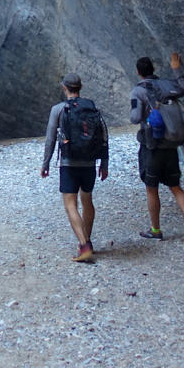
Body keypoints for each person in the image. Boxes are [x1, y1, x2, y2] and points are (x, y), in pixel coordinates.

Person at [131, 52, 184, 247]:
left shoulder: (138, 91)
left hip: (152, 146)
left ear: (138, 72)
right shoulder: (168, 84)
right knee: (175, 186)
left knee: (151, 188)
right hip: (172, 144)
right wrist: (176, 68)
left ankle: (155, 230)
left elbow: (135, 117)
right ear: (153, 70)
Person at [40, 72, 109, 262]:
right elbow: (103, 135)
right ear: (80, 88)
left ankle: (83, 245)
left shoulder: (58, 109)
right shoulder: (92, 107)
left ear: (64, 87)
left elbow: (50, 139)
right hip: (89, 161)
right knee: (87, 200)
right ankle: (87, 240)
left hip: (69, 163)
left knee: (70, 204)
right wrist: (104, 163)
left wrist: (45, 164)